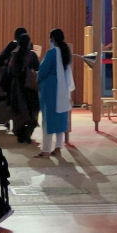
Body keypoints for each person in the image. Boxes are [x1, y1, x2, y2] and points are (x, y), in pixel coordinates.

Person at [0, 26, 40, 143]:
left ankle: (20, 133)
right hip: (30, 88)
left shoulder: (14, 55)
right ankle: (28, 133)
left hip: (16, 88)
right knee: (32, 111)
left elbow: (9, 70)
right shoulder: (32, 55)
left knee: (18, 112)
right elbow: (38, 68)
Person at [37, 27, 74, 155]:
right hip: (63, 89)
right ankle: (58, 147)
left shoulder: (52, 53)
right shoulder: (66, 52)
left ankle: (46, 150)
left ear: (52, 39)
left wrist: (37, 79)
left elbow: (43, 71)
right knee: (60, 118)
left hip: (50, 88)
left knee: (48, 119)